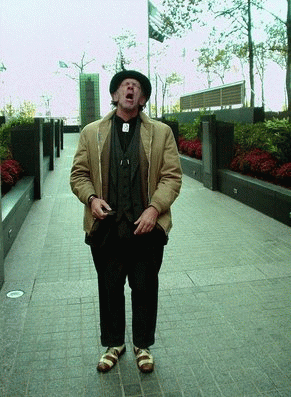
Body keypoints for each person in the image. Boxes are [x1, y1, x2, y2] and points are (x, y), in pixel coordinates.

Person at [70, 70, 182, 373]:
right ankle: (114, 343)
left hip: (146, 229)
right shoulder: (92, 132)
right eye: (124, 86)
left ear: (142, 98)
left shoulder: (161, 133)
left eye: (136, 87)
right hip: (106, 228)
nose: (130, 89)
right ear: (115, 95)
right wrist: (91, 199)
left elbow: (171, 177)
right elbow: (78, 174)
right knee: (109, 287)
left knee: (145, 286)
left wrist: (154, 209)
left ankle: (143, 345)